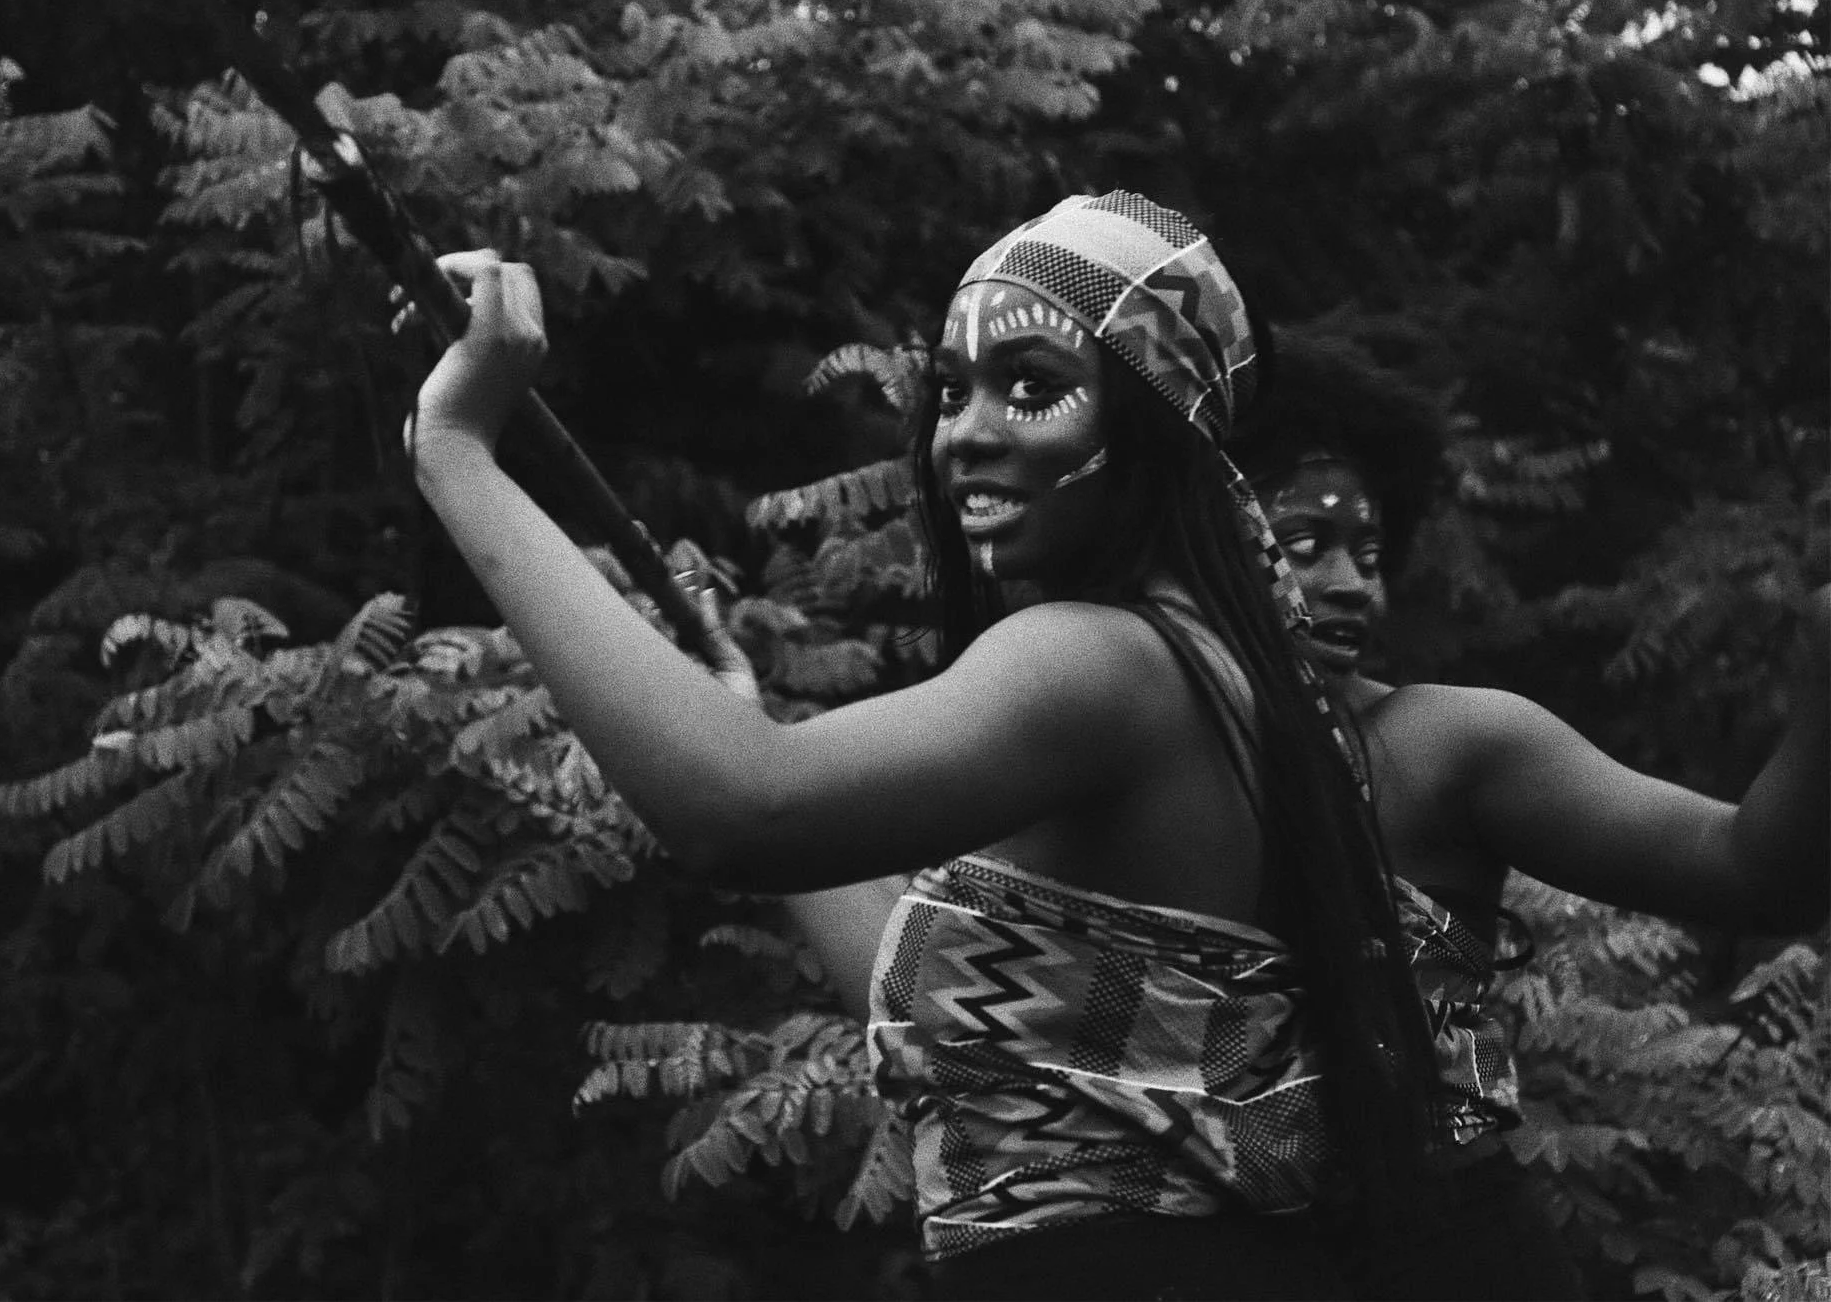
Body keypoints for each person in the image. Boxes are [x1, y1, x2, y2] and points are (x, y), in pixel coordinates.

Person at [409, 192, 1451, 1300]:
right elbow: (929, 1002)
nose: (967, 431)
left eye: (1032, 386)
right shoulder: (1207, 676)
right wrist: (747, 714)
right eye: (952, 391)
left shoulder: (1099, 662)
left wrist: (458, 452)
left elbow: (739, 810)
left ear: (1152, 421)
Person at [1225, 330, 1831, 1300]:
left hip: (1451, 1257)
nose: (1350, 583)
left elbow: (1755, 871)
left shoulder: (1442, 745)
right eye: (1304, 548)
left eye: (1369, 553)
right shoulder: (1103, 746)